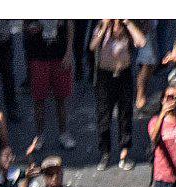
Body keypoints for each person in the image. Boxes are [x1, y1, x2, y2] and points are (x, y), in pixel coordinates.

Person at [91, 20, 146, 171]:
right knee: (104, 116)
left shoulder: (127, 29)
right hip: (105, 76)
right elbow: (92, 46)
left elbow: (141, 42)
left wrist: (128, 23)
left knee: (125, 114)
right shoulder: (102, 26)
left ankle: (124, 153)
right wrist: (105, 27)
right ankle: (105, 153)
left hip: (124, 75)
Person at [23, 21, 78, 150]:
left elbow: (70, 22)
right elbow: (24, 24)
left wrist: (69, 52)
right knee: (39, 99)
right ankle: (39, 136)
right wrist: (30, 29)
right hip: (38, 56)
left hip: (59, 54)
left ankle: (64, 134)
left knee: (61, 98)